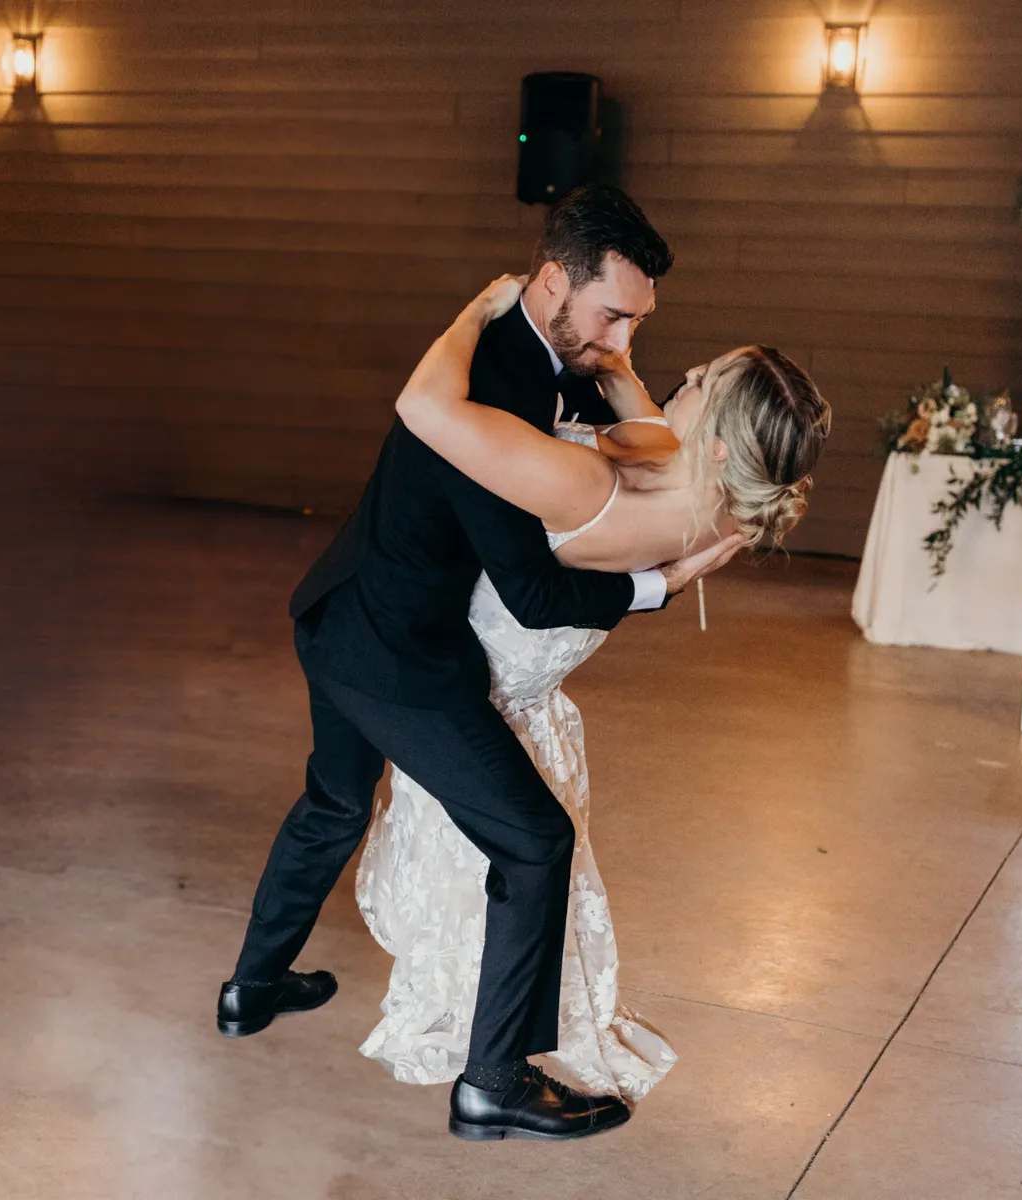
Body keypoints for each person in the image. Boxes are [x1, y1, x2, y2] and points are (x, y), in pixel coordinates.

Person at [216, 185, 742, 1142]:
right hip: (397, 658)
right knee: (534, 841)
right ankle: (494, 1081)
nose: (623, 338)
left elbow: (652, 437)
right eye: (613, 314)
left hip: (336, 614)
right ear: (553, 282)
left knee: (334, 803)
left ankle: (251, 988)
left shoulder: (544, 351)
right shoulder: (494, 384)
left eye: (637, 319)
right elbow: (534, 593)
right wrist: (660, 587)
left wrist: (619, 365)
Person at [355, 273, 831, 1108]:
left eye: (704, 381)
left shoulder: (592, 490)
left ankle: (492, 1073)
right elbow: (650, 429)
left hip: (460, 683)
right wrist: (613, 355)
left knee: (508, 874)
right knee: (524, 872)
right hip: (529, 693)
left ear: (721, 445)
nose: (685, 375)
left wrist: (483, 308)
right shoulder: (709, 498)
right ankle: (498, 1063)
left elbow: (429, 412)